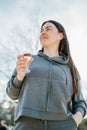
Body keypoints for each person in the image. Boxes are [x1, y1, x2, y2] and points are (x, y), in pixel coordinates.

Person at [6, 20, 87, 130]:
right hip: (27, 125)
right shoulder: (28, 61)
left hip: (63, 125)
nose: (43, 32)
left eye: (48, 29)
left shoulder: (71, 68)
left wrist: (75, 120)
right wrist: (20, 75)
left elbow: (80, 102)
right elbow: (12, 94)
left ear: (60, 35)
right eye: (41, 30)